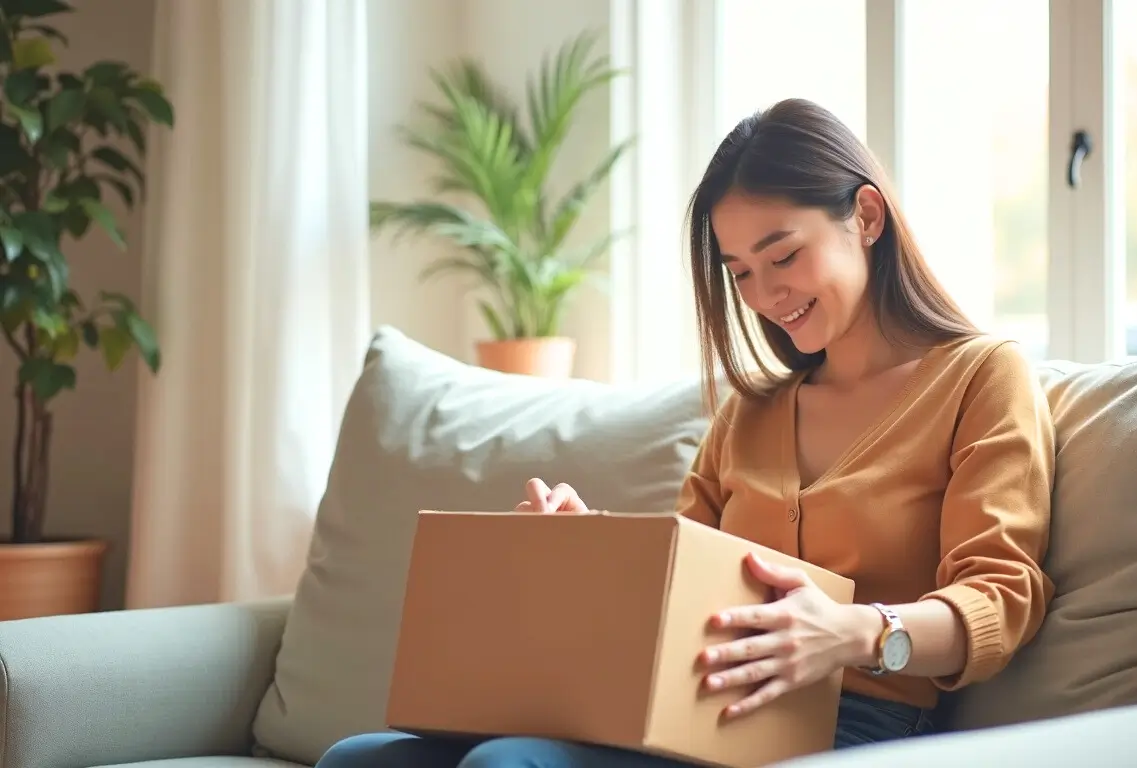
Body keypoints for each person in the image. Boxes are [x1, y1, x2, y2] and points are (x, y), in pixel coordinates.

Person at [316, 98, 1056, 768]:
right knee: (358, 760)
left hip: (854, 723)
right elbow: (676, 590)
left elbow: (1003, 595)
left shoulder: (981, 378)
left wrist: (855, 631)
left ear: (866, 216)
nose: (766, 296)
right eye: (740, 273)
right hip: (695, 708)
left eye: (784, 255)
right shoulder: (751, 413)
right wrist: (585, 552)